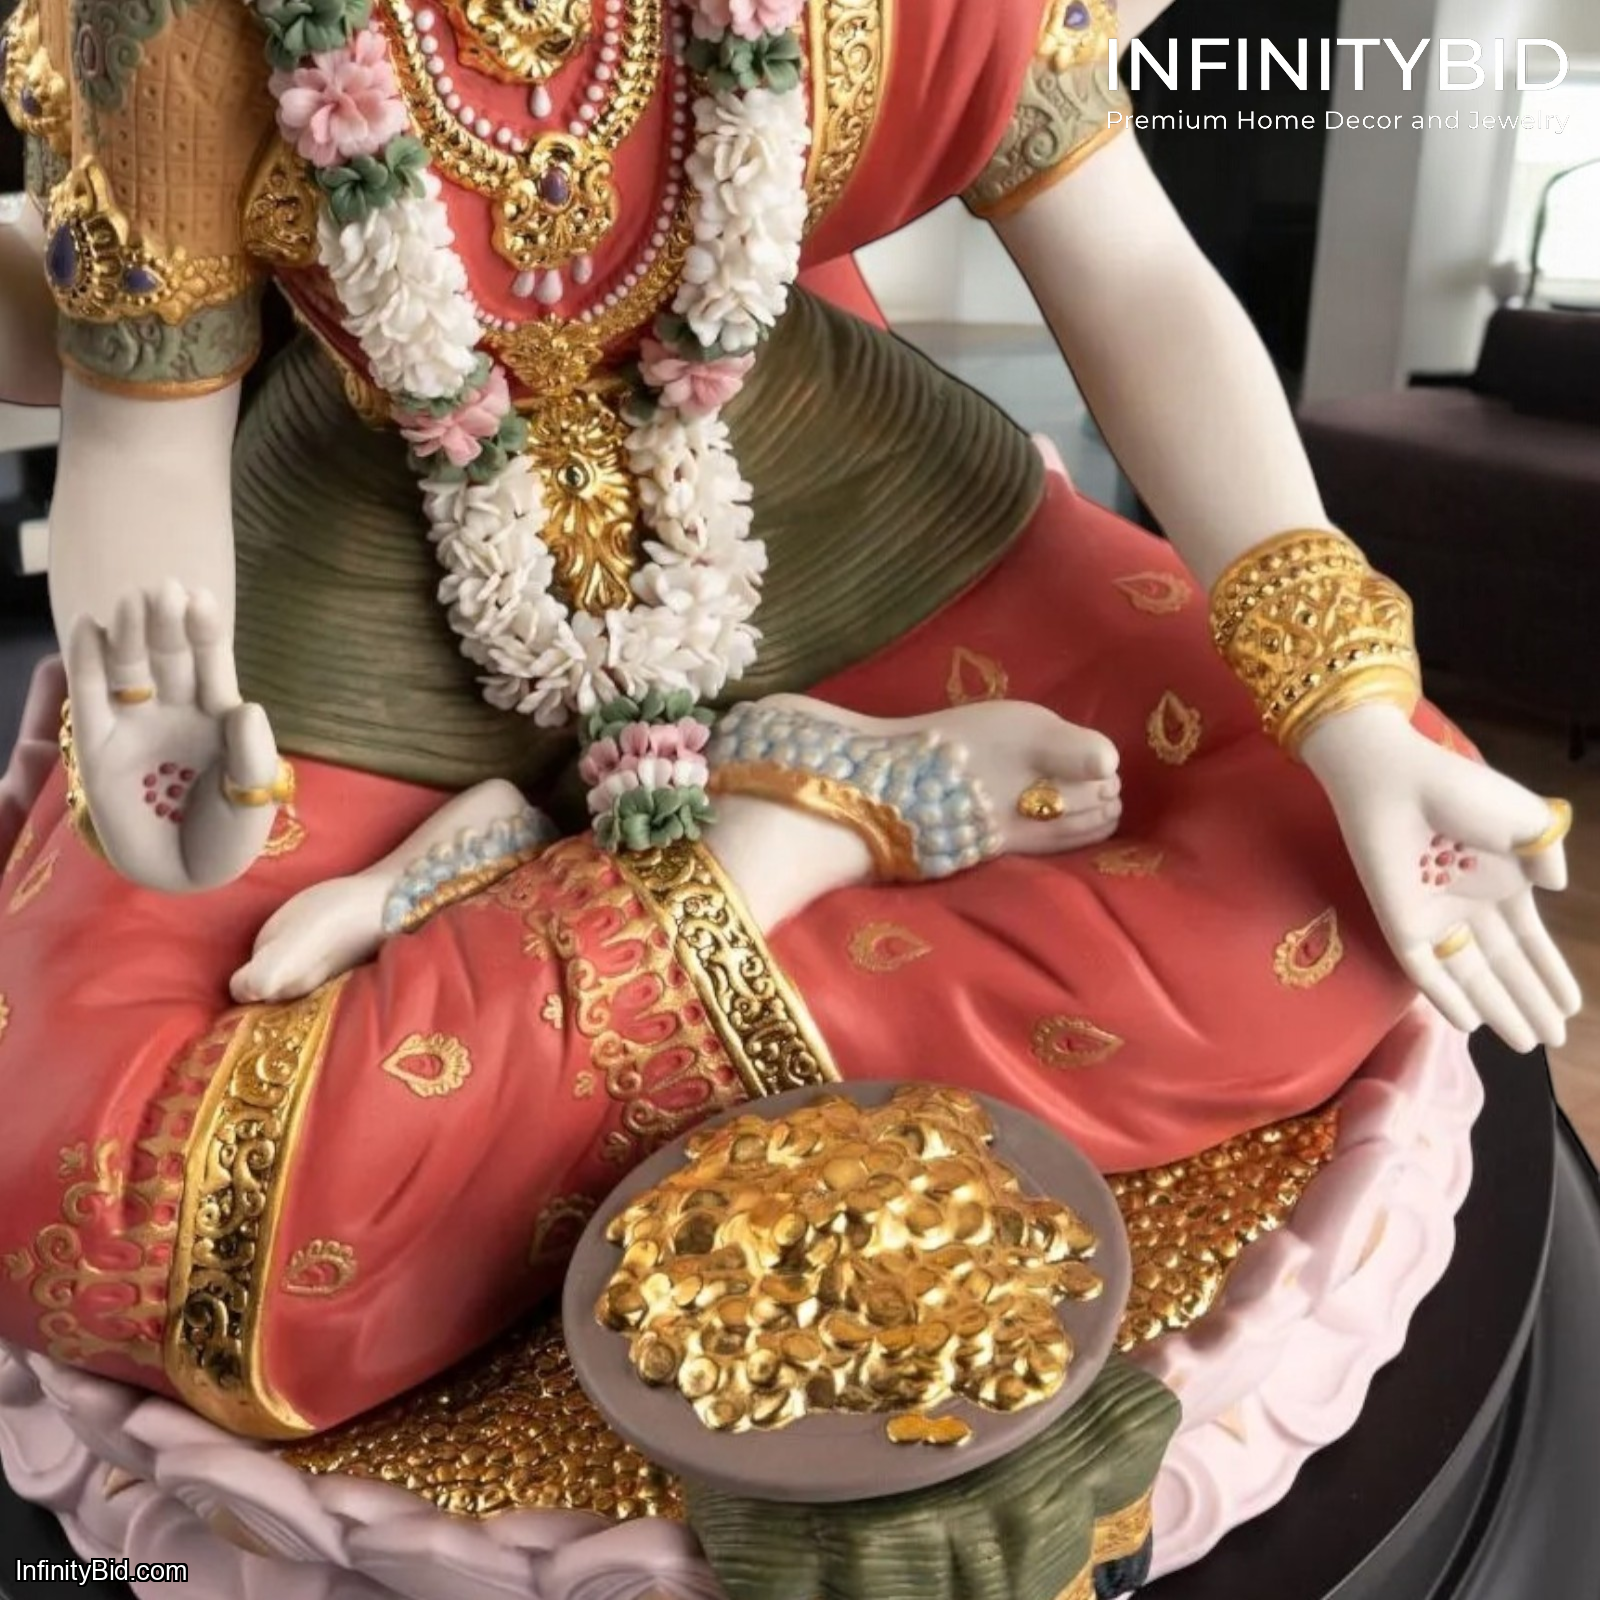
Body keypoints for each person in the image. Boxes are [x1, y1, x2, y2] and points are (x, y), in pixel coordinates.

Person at [0, 0, 1577, 1442]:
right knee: (105, 1211)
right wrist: (147, 724)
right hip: (367, 573)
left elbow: (1134, 273)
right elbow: (142, 438)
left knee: (1343, 881)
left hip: (820, 511)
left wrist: (1350, 711)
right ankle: (784, 838)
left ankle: (529, 950)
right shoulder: (176, 22)